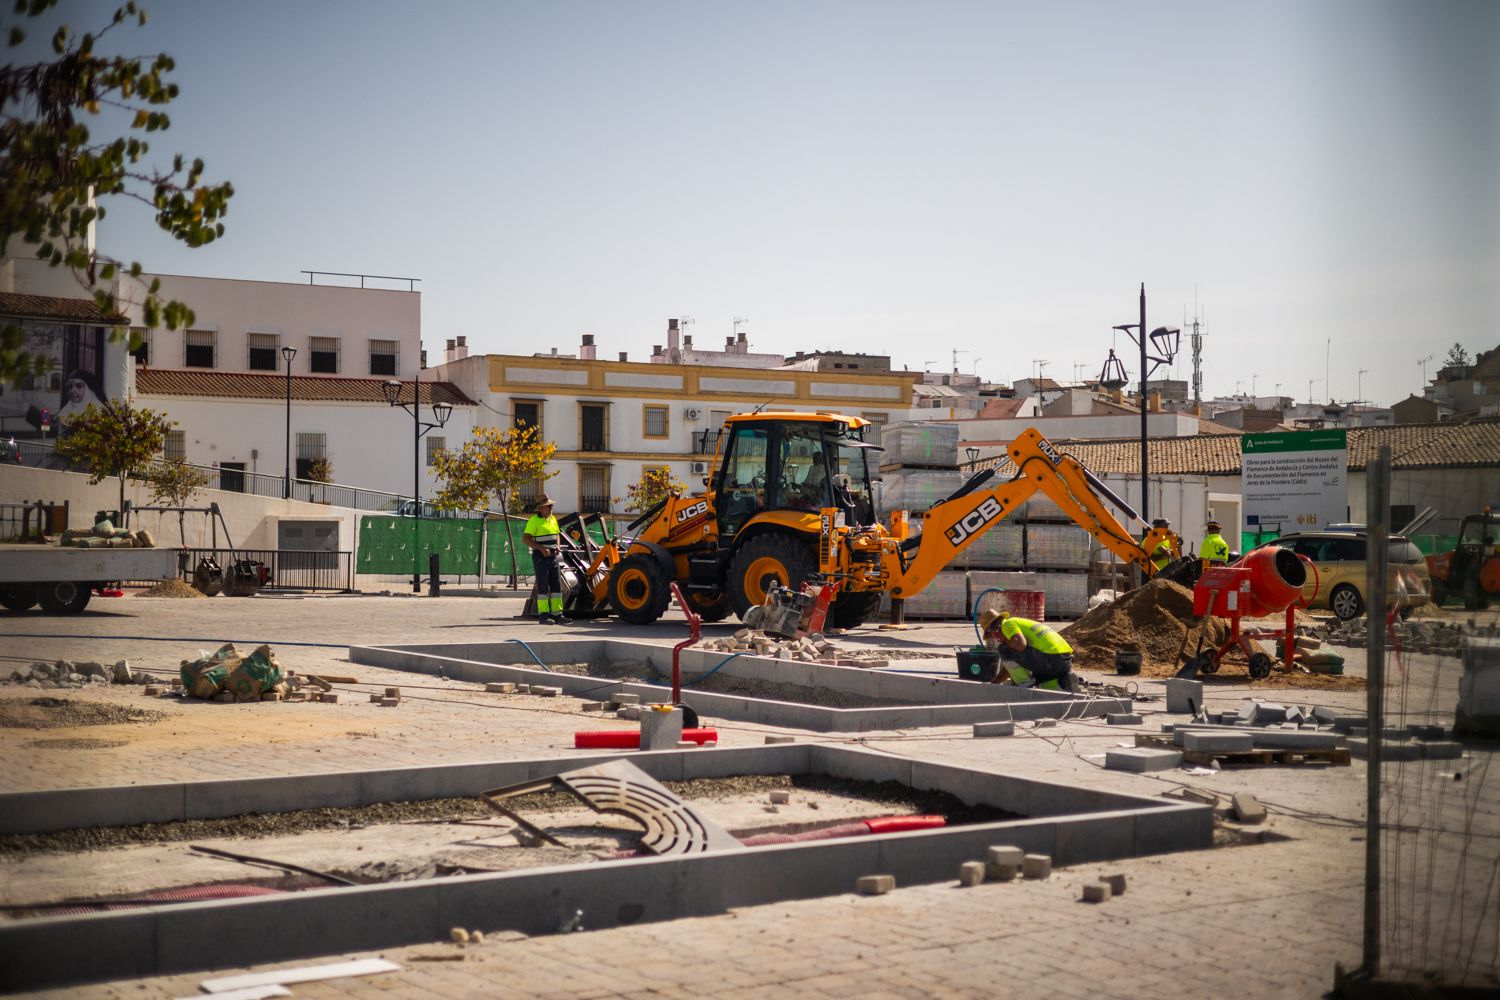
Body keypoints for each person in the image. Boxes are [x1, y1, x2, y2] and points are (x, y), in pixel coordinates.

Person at [978, 608, 1076, 691]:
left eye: (991, 635)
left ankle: (1026, 685)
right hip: (1063, 662)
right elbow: (1011, 667)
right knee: (1042, 684)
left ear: (994, 629)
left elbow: (1021, 645)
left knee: (1004, 649)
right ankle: (1065, 683)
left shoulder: (1007, 624)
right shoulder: (1020, 625)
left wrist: (1007, 644)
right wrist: (994, 683)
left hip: (1050, 659)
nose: (995, 638)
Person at [523, 495, 571, 625]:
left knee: (556, 585)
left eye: (551, 505)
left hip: (553, 557)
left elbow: (557, 534)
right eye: (549, 506)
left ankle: (557, 614)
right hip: (540, 557)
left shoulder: (553, 519)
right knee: (543, 586)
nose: (551, 507)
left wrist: (558, 546)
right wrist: (541, 549)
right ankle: (543, 615)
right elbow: (526, 539)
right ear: (541, 508)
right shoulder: (533, 521)